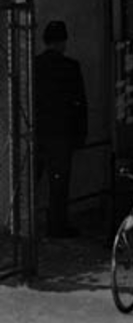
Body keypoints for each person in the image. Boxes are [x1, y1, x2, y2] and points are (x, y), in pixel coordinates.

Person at [34, 20, 88, 238]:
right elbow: (80, 103)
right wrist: (80, 133)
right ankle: (56, 225)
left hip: (36, 132)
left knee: (31, 180)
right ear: (63, 42)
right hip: (61, 134)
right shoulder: (70, 67)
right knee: (59, 183)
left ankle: (23, 225)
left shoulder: (34, 65)